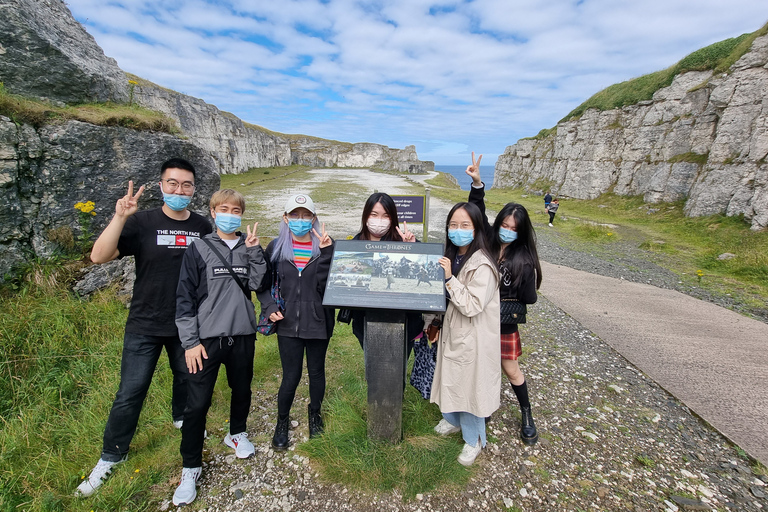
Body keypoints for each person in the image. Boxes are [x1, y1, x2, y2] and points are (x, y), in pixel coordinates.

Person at [76, 158, 213, 497]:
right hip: (144, 323)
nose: (179, 190)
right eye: (172, 183)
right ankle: (112, 455)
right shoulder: (142, 222)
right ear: (161, 185)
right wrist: (121, 216)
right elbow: (99, 256)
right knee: (130, 392)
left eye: (186, 185)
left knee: (188, 379)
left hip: (187, 325)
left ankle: (181, 418)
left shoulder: (202, 226)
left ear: (194, 189)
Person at [172, 189, 266, 506]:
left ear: (241, 214)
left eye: (236, 209)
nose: (230, 214)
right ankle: (190, 468)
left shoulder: (248, 246)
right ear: (213, 212)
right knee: (196, 404)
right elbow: (184, 299)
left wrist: (254, 252)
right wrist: (190, 342)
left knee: (242, 390)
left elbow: (257, 283)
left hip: (242, 334)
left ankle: (236, 433)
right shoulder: (198, 249)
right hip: (206, 340)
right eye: (224, 208)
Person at [466, 152, 542, 445]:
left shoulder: (524, 260)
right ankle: (483, 408)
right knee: (481, 364)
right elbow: (476, 212)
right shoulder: (487, 240)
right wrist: (477, 184)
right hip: (479, 316)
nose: (508, 231)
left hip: (504, 322)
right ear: (498, 224)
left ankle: (526, 413)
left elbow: (530, 299)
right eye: (505, 225)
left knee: (511, 369)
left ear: (521, 232)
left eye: (514, 228)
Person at [258, 194, 334, 451]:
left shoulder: (325, 245)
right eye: (295, 215)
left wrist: (326, 254)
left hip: (318, 321)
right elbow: (263, 285)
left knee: (316, 372)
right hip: (287, 322)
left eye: (305, 215)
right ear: (285, 218)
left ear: (314, 218)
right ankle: (282, 422)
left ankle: (315, 415)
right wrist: (269, 307)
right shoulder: (276, 247)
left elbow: (329, 289)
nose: (300, 220)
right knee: (290, 376)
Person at [429, 201, 501, 466]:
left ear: (477, 228)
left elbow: (471, 305)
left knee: (470, 388)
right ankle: (452, 421)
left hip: (473, 338)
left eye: (465, 225)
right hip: (454, 332)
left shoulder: (483, 264)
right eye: (453, 225)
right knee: (452, 378)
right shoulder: (453, 255)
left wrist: (449, 279)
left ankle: (475, 440)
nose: (457, 230)